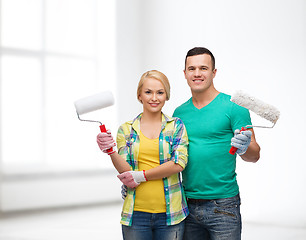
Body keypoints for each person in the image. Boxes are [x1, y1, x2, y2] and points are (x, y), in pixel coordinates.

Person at [172, 47, 261, 240]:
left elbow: (254, 155)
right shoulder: (179, 113)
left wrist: (244, 147)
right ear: (185, 73)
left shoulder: (234, 106)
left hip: (223, 206)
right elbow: (170, 157)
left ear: (214, 72)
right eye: (192, 68)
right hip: (186, 204)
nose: (197, 73)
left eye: (203, 68)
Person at [96, 70, 189, 240]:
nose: (154, 97)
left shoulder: (176, 126)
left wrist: (141, 176)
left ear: (166, 95)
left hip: (171, 215)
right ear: (139, 95)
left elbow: (178, 163)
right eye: (148, 92)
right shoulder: (126, 129)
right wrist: (110, 151)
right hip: (135, 214)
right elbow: (126, 172)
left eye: (160, 92)